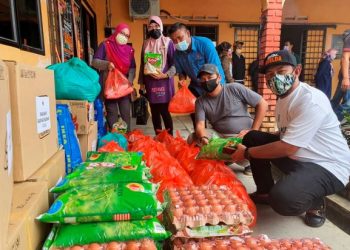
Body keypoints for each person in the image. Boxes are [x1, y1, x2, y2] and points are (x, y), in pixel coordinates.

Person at [231, 50, 350, 228]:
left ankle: (315, 202)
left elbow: (288, 147)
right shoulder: (283, 98)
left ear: (297, 71)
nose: (275, 78)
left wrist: (246, 153)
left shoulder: (310, 100)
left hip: (329, 166)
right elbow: (286, 135)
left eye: (281, 71)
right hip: (301, 156)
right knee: (252, 136)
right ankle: (264, 191)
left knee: (283, 199)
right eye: (270, 75)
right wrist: (250, 141)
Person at [191, 64, 268, 175]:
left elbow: (263, 104)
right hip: (220, 137)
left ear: (219, 78)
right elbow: (200, 125)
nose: (206, 81)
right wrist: (203, 138)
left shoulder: (234, 88)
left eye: (209, 77)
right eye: (203, 79)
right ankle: (224, 160)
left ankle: (247, 163)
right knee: (193, 138)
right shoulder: (200, 101)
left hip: (242, 136)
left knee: (249, 144)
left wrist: (253, 130)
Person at [168, 22, 226, 128]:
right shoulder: (177, 54)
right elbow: (182, 72)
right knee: (196, 114)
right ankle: (200, 135)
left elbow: (214, 69)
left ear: (188, 33)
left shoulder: (205, 44)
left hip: (214, 83)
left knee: (217, 118)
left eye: (180, 38)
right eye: (174, 40)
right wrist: (182, 79)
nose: (178, 42)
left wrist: (212, 90)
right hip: (196, 85)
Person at [92, 23, 136, 131]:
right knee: (112, 113)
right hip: (109, 84)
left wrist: (130, 80)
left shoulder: (129, 50)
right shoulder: (105, 45)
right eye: (122, 33)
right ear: (116, 32)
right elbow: (94, 62)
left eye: (127, 35)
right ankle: (115, 138)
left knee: (126, 112)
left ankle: (125, 137)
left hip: (124, 86)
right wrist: (107, 64)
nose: (124, 37)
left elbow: (132, 67)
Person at [138, 16, 176, 135]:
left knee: (165, 111)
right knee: (154, 111)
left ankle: (169, 137)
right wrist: (142, 84)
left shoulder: (168, 42)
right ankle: (159, 136)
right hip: (150, 82)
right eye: (150, 26)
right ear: (148, 28)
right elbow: (142, 64)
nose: (153, 28)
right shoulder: (145, 44)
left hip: (164, 81)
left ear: (161, 27)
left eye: (156, 26)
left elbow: (175, 64)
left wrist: (165, 75)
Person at [331, 29, 350, 121]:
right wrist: (346, 78)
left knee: (335, 102)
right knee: (348, 105)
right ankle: (331, 122)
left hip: (346, 76)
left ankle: (324, 121)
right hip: (348, 76)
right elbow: (345, 58)